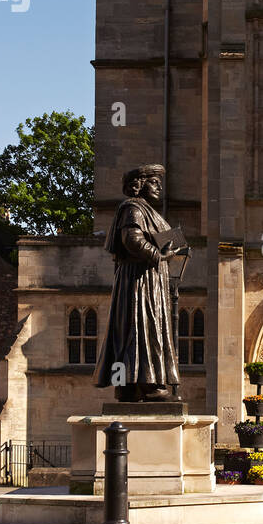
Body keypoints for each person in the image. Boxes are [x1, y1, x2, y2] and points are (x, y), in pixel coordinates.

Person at [94, 164, 185, 401]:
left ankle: (128, 387)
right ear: (139, 184)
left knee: (141, 328)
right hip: (139, 280)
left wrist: (171, 245)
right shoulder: (133, 208)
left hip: (149, 278)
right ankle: (148, 384)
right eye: (154, 182)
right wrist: (159, 255)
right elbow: (131, 239)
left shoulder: (145, 210)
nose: (159, 187)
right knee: (143, 327)